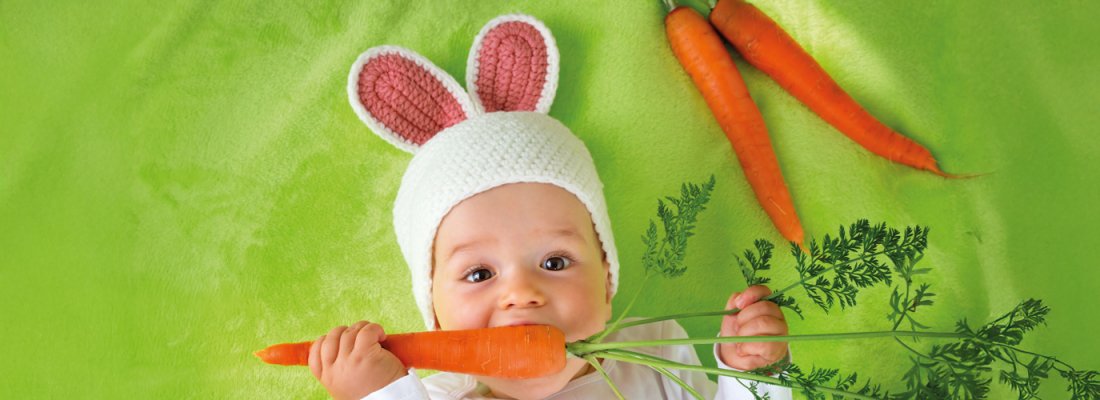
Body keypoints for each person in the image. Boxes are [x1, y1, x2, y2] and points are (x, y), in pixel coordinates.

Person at [314, 13, 793, 400]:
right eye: (479, 274)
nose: (522, 293)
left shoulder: (656, 359)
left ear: (607, 280)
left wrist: (753, 376)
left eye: (555, 262)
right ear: (434, 314)